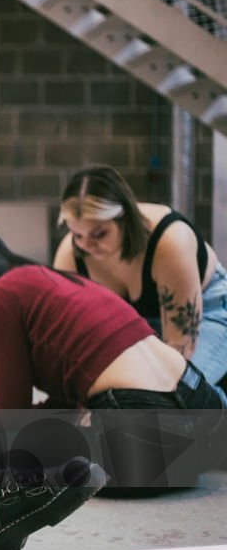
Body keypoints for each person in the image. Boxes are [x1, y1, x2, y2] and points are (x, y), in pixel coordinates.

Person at [0, 228, 225, 513]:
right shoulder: (60, 281)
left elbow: (8, 411)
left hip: (144, 442)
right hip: (205, 421)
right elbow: (55, 406)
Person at [53, 165, 227, 398]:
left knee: (176, 396)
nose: (87, 245)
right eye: (77, 234)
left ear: (125, 219)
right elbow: (71, 339)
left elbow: (180, 350)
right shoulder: (71, 255)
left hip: (208, 312)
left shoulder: (170, 241)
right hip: (138, 324)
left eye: (99, 234)